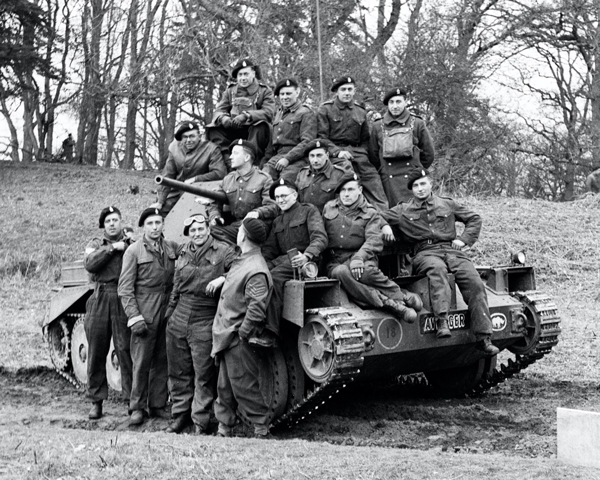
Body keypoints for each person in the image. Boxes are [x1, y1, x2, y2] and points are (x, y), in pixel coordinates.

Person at [381, 168, 500, 356]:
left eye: (423, 184)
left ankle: (483, 337)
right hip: (425, 252)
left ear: (430, 184)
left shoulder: (446, 204)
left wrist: (464, 239)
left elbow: (474, 219)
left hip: (452, 250)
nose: (420, 189)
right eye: (415, 186)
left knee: (474, 282)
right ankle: (442, 322)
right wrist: (385, 226)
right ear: (411, 189)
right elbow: (378, 216)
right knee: (438, 272)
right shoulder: (403, 210)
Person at [164, 214, 236, 435]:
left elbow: (239, 269)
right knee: (178, 371)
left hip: (205, 315)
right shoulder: (183, 252)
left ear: (208, 229)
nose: (197, 233)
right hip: (180, 315)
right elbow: (176, 286)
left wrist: (223, 278)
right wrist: (169, 314)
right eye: (192, 230)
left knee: (203, 373)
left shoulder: (224, 250)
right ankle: (179, 416)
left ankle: (200, 421)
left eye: (201, 229)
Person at [323, 175, 421, 322]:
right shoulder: (329, 207)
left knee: (365, 273)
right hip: (336, 259)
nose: (346, 194)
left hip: (363, 256)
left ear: (360, 190)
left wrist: (358, 258)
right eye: (342, 190)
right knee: (340, 272)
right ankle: (395, 301)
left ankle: (395, 296)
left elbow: (374, 239)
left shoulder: (370, 212)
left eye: (350, 189)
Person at [211, 218, 274, 438]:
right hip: (227, 335)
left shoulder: (255, 268)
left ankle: (261, 427)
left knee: (244, 385)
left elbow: (256, 309)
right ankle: (224, 427)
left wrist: (242, 334)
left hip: (236, 336)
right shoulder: (246, 260)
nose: (237, 233)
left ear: (244, 236)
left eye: (239, 231)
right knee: (225, 387)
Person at [118, 207, 178, 426]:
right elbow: (124, 289)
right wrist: (134, 317)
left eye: (158, 223)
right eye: (150, 223)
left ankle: (157, 404)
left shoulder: (170, 247)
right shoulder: (133, 251)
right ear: (144, 226)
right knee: (141, 362)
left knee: (162, 360)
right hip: (145, 311)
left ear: (163, 224)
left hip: (166, 310)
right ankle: (137, 407)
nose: (155, 227)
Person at [252, 178, 328, 337]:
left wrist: (307, 255)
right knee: (258, 274)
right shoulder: (278, 220)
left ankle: (270, 332)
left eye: (284, 196)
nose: (281, 200)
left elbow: (320, 238)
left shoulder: (308, 211)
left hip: (308, 262)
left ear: (294, 195)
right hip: (285, 261)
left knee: (274, 277)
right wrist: (259, 265)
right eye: (277, 197)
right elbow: (270, 250)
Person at [83, 206, 134, 420]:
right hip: (100, 296)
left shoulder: (132, 242)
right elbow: (90, 264)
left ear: (121, 221)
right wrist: (113, 248)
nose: (112, 223)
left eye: (115, 220)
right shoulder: (96, 245)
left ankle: (134, 402)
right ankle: (96, 402)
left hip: (123, 296)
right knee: (96, 351)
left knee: (126, 351)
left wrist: (128, 244)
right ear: (103, 225)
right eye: (108, 221)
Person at [317, 76, 388, 211]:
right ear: (336, 92)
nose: (347, 92)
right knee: (346, 178)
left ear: (354, 91)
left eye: (350, 89)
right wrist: (337, 152)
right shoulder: (325, 109)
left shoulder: (360, 111)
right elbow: (321, 138)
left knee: (374, 181)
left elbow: (365, 139)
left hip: (358, 154)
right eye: (343, 89)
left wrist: (362, 153)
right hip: (334, 153)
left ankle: (382, 218)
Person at [370, 87, 435, 206]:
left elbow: (428, 153)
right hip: (388, 179)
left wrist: (416, 169)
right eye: (391, 102)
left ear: (405, 101)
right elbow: (373, 155)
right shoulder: (377, 126)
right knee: (393, 214)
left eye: (398, 101)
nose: (395, 106)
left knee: (416, 212)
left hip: (412, 179)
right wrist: (383, 170)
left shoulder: (417, 123)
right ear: (387, 105)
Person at [206, 59, 276, 169]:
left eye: (246, 74)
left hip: (254, 132)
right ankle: (228, 162)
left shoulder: (264, 91)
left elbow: (268, 112)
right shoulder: (230, 91)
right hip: (234, 128)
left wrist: (247, 115)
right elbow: (219, 110)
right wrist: (224, 119)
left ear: (253, 73)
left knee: (261, 125)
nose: (243, 78)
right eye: (240, 75)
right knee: (213, 129)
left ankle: (252, 164)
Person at [208, 139, 275, 245]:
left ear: (247, 157)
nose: (230, 157)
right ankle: (234, 253)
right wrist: (215, 216)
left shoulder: (264, 179)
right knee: (210, 230)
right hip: (237, 225)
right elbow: (214, 202)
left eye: (235, 153)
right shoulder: (228, 179)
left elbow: (273, 206)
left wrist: (258, 212)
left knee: (248, 227)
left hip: (258, 225)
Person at [152, 122, 227, 215]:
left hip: (201, 190)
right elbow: (168, 175)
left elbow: (219, 173)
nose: (188, 140)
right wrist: (160, 201)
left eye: (192, 136)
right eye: (185, 137)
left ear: (200, 136)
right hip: (177, 189)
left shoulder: (211, 149)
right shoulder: (174, 148)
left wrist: (196, 179)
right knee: (160, 211)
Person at [261, 78, 316, 182]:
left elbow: (308, 141)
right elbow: (273, 142)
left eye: (288, 93)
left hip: (298, 158)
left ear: (297, 92)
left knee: (284, 181)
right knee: (262, 178)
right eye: (282, 94)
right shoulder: (279, 113)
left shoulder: (305, 113)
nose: (285, 97)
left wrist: (287, 158)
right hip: (278, 157)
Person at [296, 139, 353, 212]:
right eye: (312, 156)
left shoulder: (340, 174)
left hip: (329, 219)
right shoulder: (302, 173)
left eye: (319, 155)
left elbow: (344, 205)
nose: (315, 160)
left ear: (327, 155)